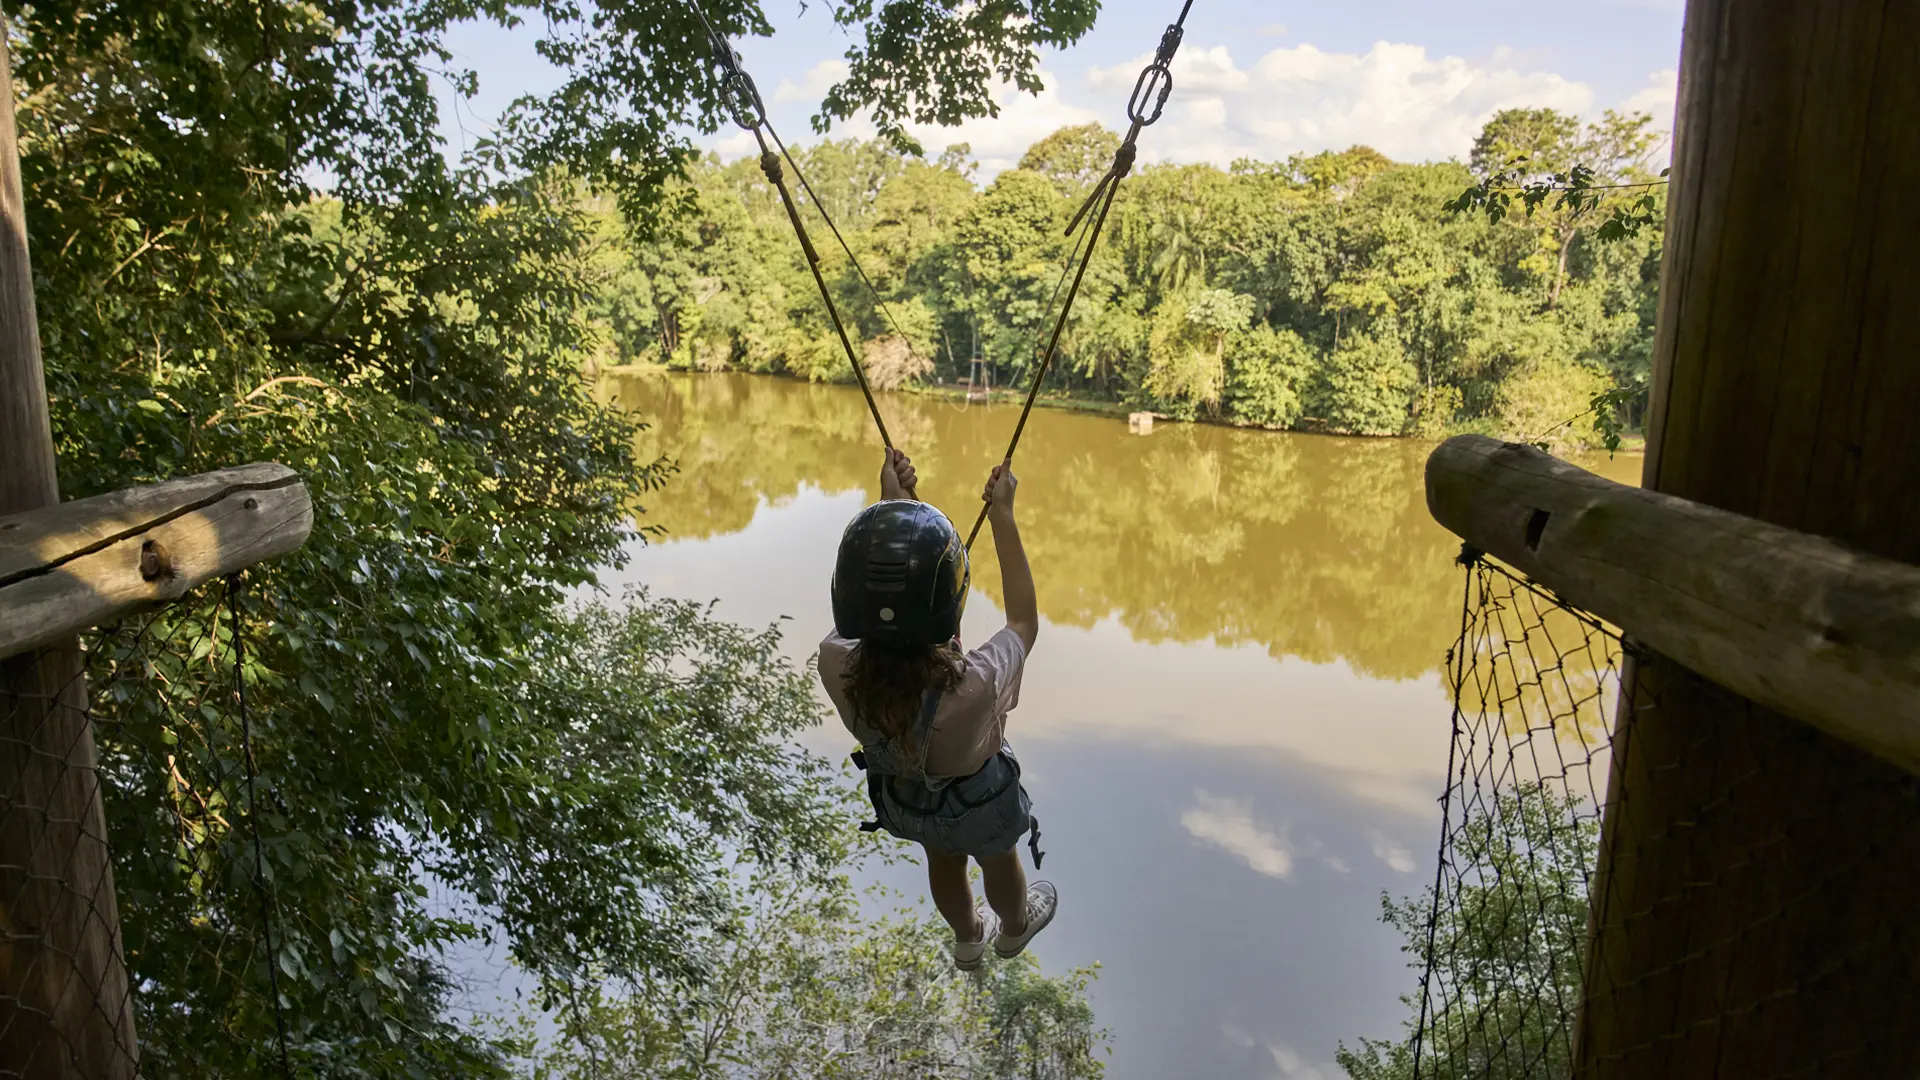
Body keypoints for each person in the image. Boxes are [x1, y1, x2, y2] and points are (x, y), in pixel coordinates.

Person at [818, 447, 1056, 970]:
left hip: (906, 799)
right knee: (999, 860)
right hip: (979, 798)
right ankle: (1014, 928)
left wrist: (893, 509)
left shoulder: (836, 664)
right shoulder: (973, 686)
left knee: (943, 859)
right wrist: (1002, 516)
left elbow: (875, 608)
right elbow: (1022, 623)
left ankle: (968, 936)